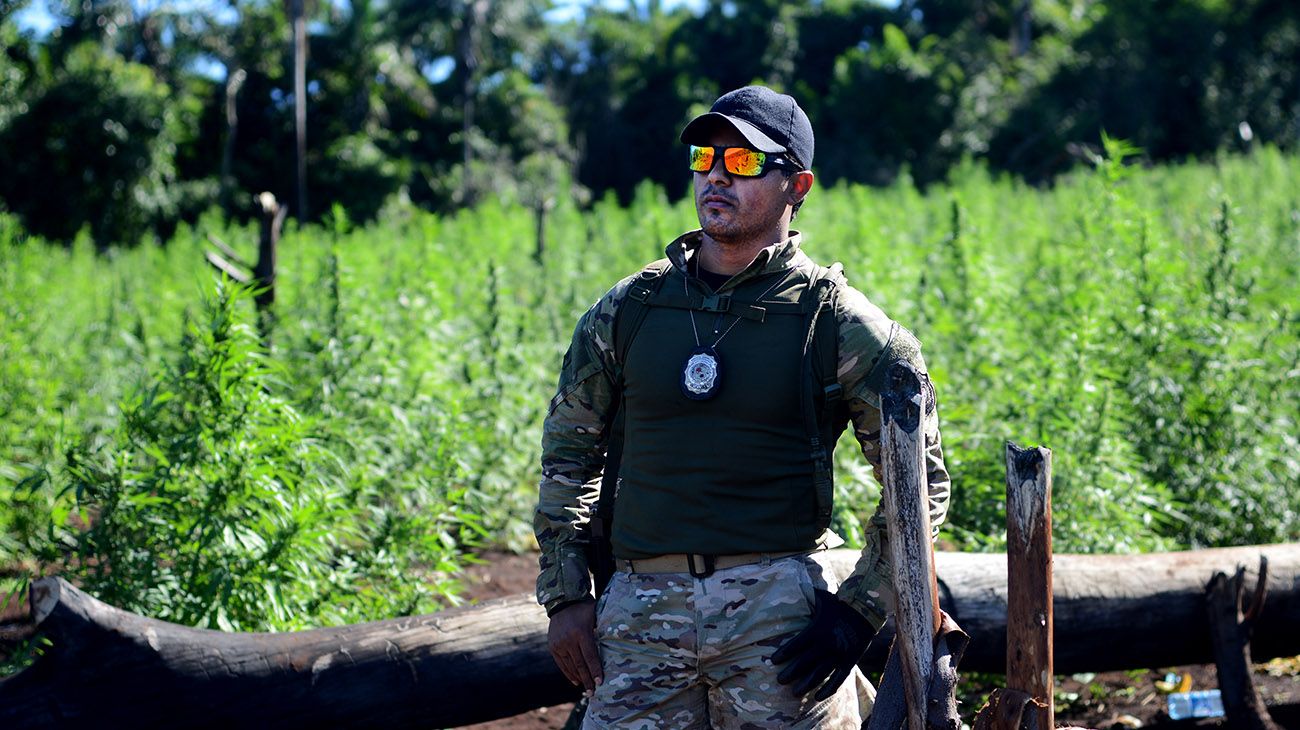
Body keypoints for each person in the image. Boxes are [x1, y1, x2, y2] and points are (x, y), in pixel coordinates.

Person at [535, 85, 951, 729]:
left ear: (798, 184)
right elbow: (568, 455)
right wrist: (567, 596)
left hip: (779, 623)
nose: (717, 177)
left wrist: (858, 611)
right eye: (706, 158)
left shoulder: (839, 323)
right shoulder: (629, 310)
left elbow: (919, 484)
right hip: (640, 615)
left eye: (747, 163)